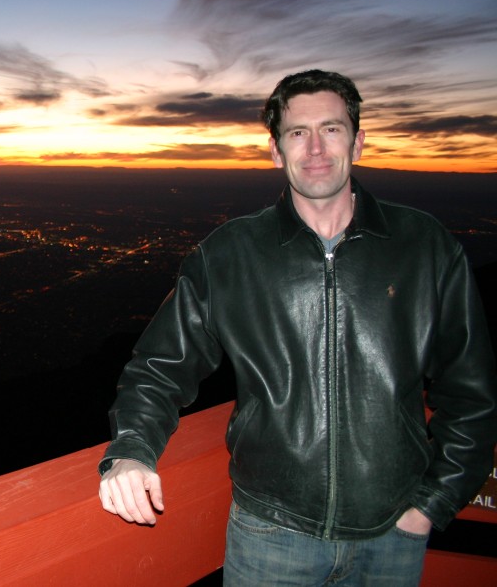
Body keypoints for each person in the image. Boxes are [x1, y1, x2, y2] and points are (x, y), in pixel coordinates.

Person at [98, 69, 497, 585]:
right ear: (275, 150)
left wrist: (431, 505)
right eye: (297, 132)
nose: (315, 148)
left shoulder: (424, 247)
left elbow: (473, 393)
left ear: (358, 141)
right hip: (271, 532)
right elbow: (158, 369)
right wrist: (131, 450)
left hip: (393, 532)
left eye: (331, 129)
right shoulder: (230, 255)